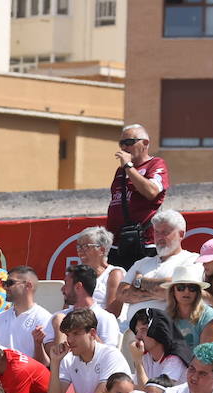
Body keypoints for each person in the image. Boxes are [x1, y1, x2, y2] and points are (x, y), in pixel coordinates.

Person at [111, 210, 197, 320]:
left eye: (165, 232)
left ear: (181, 234)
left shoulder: (191, 259)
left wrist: (140, 282)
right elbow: (121, 294)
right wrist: (161, 293)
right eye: (157, 232)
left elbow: (178, 292)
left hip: (169, 330)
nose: (160, 237)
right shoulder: (141, 263)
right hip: (134, 331)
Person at [104, 124, 169, 269]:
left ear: (145, 143)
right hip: (117, 242)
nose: (124, 147)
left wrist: (128, 167)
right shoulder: (120, 171)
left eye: (129, 142)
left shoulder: (156, 164)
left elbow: (152, 191)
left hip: (142, 242)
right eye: (122, 143)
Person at [47, 308, 131, 393]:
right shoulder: (68, 359)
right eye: (68, 335)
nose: (69, 340)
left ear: (92, 333)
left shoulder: (110, 355)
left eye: (76, 334)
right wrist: (55, 363)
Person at [41, 263, 122, 359]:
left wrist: (87, 336)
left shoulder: (105, 318)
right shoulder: (59, 316)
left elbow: (109, 355)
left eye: (66, 284)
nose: (62, 289)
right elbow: (48, 348)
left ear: (78, 287)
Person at [0, 266, 50, 360]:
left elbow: (47, 364)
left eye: (10, 283)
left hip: (31, 374)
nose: (5, 287)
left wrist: (38, 345)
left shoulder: (45, 318)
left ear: (28, 285)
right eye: (4, 283)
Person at [159, 265, 213, 348]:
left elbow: (205, 357)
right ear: (172, 291)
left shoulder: (209, 317)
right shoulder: (165, 317)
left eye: (192, 288)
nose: (186, 292)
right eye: (180, 287)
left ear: (198, 292)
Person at [130, 308, 192, 385]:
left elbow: (154, 392)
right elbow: (137, 387)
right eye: (137, 331)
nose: (137, 336)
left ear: (158, 330)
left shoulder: (175, 358)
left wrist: (138, 362)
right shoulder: (145, 355)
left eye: (143, 330)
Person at [71, 227, 124, 318]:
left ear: (102, 250)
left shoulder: (114, 274)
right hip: (75, 325)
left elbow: (112, 313)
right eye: (79, 247)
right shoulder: (76, 275)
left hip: (101, 326)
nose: (80, 250)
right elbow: (66, 306)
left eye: (86, 246)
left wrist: (82, 322)